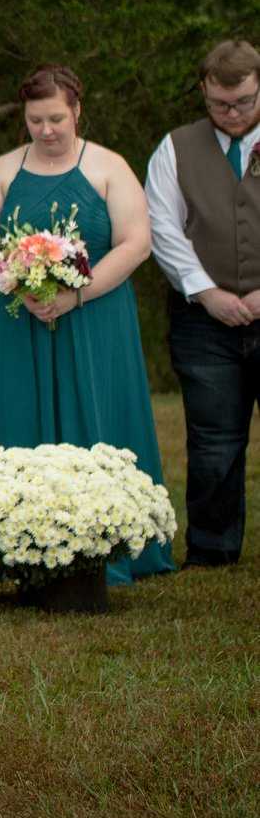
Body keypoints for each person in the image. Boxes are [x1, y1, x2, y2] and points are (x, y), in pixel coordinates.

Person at [0, 63, 174, 584]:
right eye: (35, 120)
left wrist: (75, 295)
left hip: (96, 318)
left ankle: (115, 545)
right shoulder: (2, 170)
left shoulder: (109, 167)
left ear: (77, 110)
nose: (46, 130)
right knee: (21, 418)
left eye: (56, 118)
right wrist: (18, 281)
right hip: (22, 320)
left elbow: (135, 243)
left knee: (100, 415)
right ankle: (19, 544)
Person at [145, 38, 260, 567]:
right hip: (202, 321)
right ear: (204, 93)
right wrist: (206, 292)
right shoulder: (175, 148)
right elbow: (163, 228)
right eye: (219, 104)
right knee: (213, 440)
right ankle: (213, 549)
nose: (232, 115)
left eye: (244, 103)